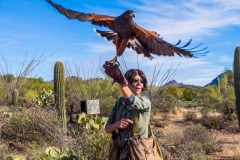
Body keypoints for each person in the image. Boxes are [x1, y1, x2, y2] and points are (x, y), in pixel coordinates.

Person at [103, 62, 151, 160]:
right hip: (120, 153)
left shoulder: (145, 102)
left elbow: (131, 100)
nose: (139, 83)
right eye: (135, 80)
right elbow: (107, 129)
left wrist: (118, 78)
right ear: (127, 82)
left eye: (142, 81)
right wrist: (117, 124)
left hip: (139, 154)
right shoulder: (119, 103)